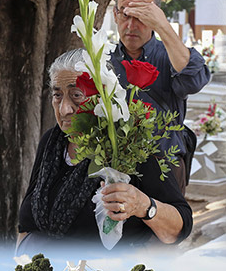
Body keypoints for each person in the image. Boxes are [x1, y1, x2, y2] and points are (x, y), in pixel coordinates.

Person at [17, 49, 192, 248]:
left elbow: (180, 226)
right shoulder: (52, 141)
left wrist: (143, 205)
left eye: (76, 94)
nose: (65, 109)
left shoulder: (128, 144)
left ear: (103, 95)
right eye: (57, 95)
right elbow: (26, 221)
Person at [110, 0, 211, 192]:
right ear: (115, 14)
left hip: (164, 165)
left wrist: (163, 27)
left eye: (142, 17)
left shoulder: (170, 55)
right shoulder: (104, 60)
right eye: (125, 15)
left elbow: (195, 81)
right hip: (114, 168)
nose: (131, 26)